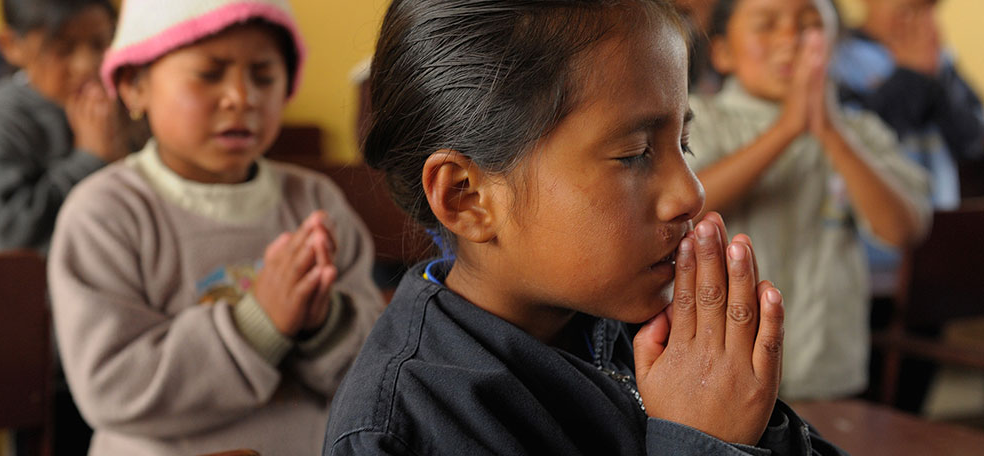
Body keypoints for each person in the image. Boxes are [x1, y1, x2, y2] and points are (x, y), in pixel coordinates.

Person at [324, 0, 845, 454]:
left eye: (683, 145)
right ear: (468, 197)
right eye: (635, 154)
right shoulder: (410, 423)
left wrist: (749, 417)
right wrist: (705, 443)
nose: (691, 193)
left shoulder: (641, 329)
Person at [48, 0, 384, 454]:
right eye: (210, 73)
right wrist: (259, 322)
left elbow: (374, 373)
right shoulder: (105, 213)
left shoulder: (314, 202)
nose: (242, 97)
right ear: (133, 87)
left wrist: (323, 323)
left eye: (263, 76)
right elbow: (113, 387)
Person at [687, 0, 931, 400]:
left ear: (835, 46)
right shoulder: (699, 119)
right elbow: (689, 207)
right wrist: (787, 130)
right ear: (724, 53)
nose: (791, 39)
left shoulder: (859, 131)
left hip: (826, 370)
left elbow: (903, 228)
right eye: (767, 24)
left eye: (810, 24)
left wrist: (831, 133)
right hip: (722, 374)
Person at [0, 0, 130, 254]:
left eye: (99, 43)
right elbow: (2, 231)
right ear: (11, 45)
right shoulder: (4, 117)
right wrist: (89, 160)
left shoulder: (128, 98)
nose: (87, 65)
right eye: (63, 49)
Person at [832, 0, 983, 211]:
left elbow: (974, 143)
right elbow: (851, 143)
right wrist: (910, 76)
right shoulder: (839, 58)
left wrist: (935, 78)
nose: (914, 15)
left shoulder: (940, 59)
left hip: (942, 220)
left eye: (926, 7)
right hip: (874, 225)